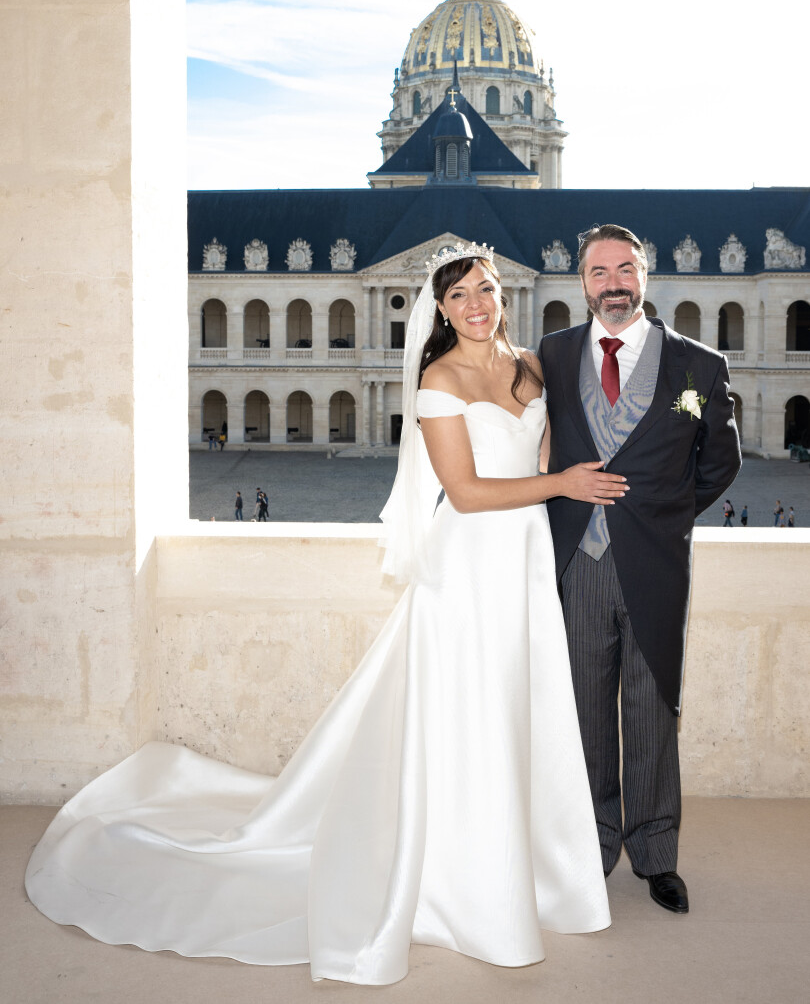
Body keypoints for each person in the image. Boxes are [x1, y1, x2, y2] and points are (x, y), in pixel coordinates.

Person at [25, 244, 617, 984]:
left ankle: (526, 864)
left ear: (504, 293)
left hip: (524, 557)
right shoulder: (438, 379)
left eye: (485, 289)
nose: (475, 304)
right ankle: (464, 876)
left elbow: (544, 459)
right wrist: (562, 484)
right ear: (439, 308)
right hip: (469, 562)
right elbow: (465, 493)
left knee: (518, 703)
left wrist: (567, 486)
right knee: (471, 709)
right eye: (459, 294)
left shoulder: (529, 367)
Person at [539, 224, 740, 915]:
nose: (614, 284)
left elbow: (720, 461)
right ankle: (590, 845)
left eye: (625, 269)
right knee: (585, 712)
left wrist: (662, 514)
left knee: (653, 709)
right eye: (599, 272)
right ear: (582, 283)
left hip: (655, 565)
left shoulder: (698, 365)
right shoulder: (553, 354)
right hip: (579, 562)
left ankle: (655, 853)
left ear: (645, 276)